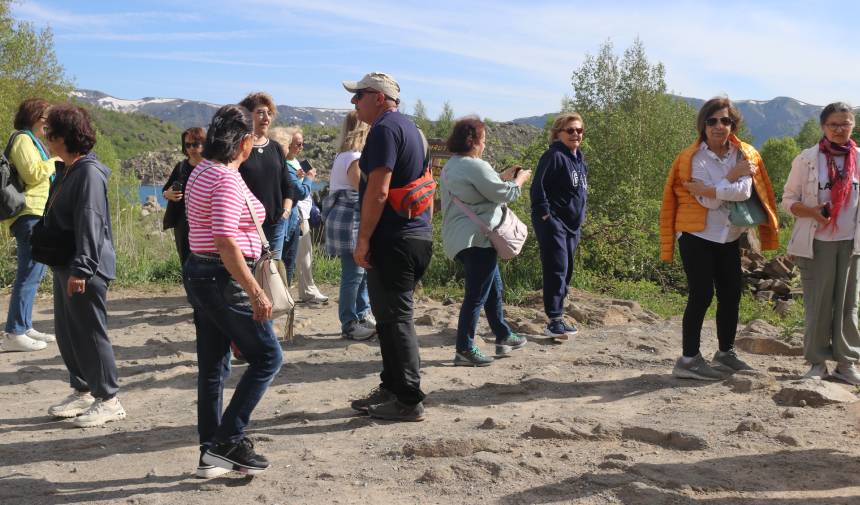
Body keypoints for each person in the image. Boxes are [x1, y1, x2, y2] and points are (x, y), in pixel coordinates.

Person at [184, 104, 283, 477]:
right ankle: (229, 439)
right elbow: (226, 241)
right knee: (268, 358)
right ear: (242, 142)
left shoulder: (204, 171)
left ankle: (211, 453)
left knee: (213, 367)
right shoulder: (225, 178)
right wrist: (256, 290)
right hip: (222, 278)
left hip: (202, 273)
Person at [660, 97, 779, 380]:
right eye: (712, 121)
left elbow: (742, 193)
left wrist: (718, 185)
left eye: (725, 120)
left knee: (731, 295)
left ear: (732, 124)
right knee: (701, 295)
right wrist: (731, 176)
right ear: (703, 124)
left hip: (728, 235)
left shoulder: (743, 154)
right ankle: (688, 359)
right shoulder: (692, 158)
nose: (718, 126)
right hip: (696, 235)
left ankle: (725, 353)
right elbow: (708, 203)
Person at [344, 71, 432, 422]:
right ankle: (392, 387)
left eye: (359, 94)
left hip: (394, 239)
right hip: (415, 236)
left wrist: (363, 239)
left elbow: (379, 191)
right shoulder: (413, 129)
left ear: (379, 97)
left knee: (395, 320)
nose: (354, 101)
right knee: (389, 317)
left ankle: (408, 399)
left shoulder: (383, 130)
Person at [42, 105, 125, 427]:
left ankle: (109, 399)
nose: (46, 138)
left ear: (63, 136)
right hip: (67, 263)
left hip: (84, 267)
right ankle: (84, 390)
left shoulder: (88, 172)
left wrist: (82, 268)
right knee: (68, 332)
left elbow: (91, 221)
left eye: (50, 133)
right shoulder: (70, 169)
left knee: (89, 333)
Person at [441, 117, 531, 366]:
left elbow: (478, 191)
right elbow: (505, 193)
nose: (484, 144)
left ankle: (503, 335)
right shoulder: (473, 165)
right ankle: (464, 349)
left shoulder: (453, 165)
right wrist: (520, 179)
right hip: (477, 239)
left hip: (461, 238)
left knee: (493, 289)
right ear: (474, 141)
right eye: (483, 139)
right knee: (476, 295)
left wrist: (501, 176)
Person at [782, 101, 860, 384]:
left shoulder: (859, 158)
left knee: (848, 305)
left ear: (853, 124)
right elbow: (788, 201)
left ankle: (846, 363)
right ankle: (816, 363)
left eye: (846, 123)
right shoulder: (806, 159)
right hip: (816, 242)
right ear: (823, 127)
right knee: (818, 303)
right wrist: (813, 212)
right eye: (833, 125)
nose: (840, 129)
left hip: (851, 243)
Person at [1, 98, 56, 352]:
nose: (48, 124)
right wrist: (54, 160)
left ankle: (24, 325)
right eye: (46, 119)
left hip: (37, 212)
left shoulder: (34, 142)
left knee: (36, 272)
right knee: (28, 272)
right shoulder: (22, 139)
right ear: (34, 117)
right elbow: (32, 174)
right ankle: (14, 332)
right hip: (28, 213)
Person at [530, 113, 588, 340]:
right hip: (555, 223)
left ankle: (559, 316)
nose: (576, 134)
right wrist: (547, 217)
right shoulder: (553, 156)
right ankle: (553, 320)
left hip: (573, 225)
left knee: (567, 269)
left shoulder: (579, 159)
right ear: (558, 134)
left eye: (579, 130)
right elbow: (537, 189)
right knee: (557, 268)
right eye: (571, 130)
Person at [324, 111, 375, 340]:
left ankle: (361, 315)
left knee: (360, 271)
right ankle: (350, 322)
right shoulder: (354, 157)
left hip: (344, 221)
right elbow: (362, 189)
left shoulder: (342, 156)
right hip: (351, 222)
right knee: (354, 274)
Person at [237, 92, 290, 260]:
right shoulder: (237, 149)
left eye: (269, 113)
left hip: (275, 224)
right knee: (249, 277)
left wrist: (286, 211)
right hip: (245, 227)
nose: (266, 117)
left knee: (272, 277)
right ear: (246, 115)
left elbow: (287, 184)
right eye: (260, 112)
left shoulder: (275, 148)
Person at [284, 127, 327, 304]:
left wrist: (301, 176)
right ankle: (308, 291)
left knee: (303, 252)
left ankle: (305, 290)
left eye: (303, 144)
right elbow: (300, 191)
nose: (301, 147)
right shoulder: (286, 164)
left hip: (302, 212)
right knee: (304, 253)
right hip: (299, 212)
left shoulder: (293, 163)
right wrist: (308, 178)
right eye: (298, 144)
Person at [162, 127, 205, 266]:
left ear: (204, 143)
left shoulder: (210, 167)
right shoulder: (181, 167)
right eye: (187, 145)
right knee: (185, 262)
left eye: (196, 144)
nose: (191, 148)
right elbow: (165, 190)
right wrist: (167, 194)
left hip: (204, 224)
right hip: (182, 224)